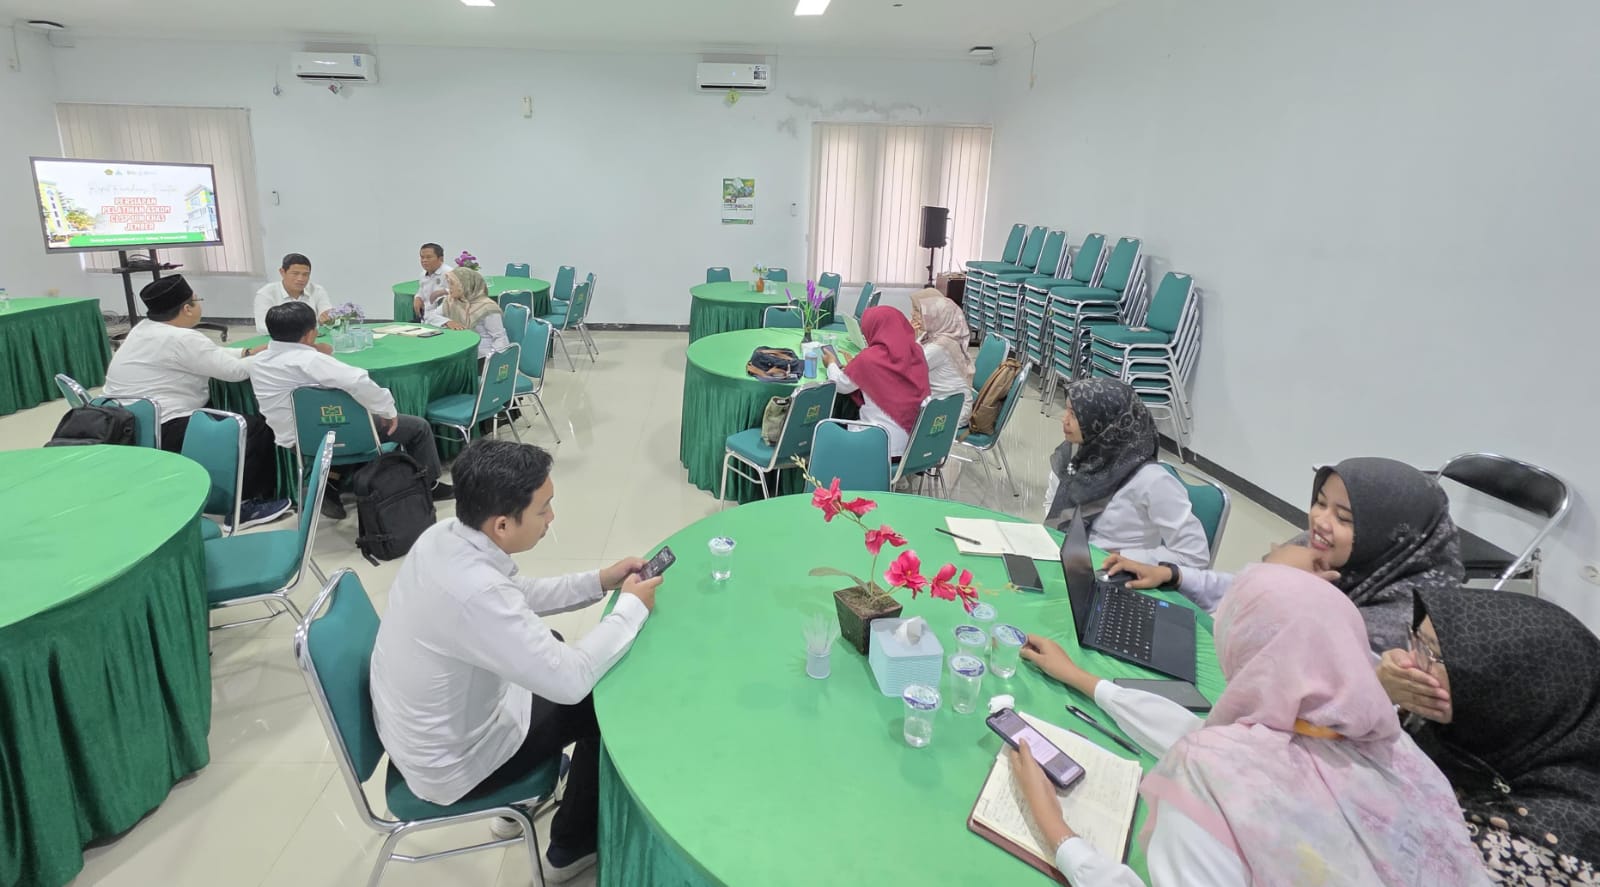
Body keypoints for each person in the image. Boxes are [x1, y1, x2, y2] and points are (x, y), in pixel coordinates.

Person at [1012, 564, 1490, 886]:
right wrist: (1084, 680)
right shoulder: (1403, 754)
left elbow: (1217, 758)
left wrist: (1058, 833)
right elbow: (1212, 739)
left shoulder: (1209, 779)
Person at [369, 440, 663, 883]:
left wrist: (599, 581)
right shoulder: (474, 591)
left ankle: (516, 808)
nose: (551, 518)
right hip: (453, 764)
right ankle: (570, 847)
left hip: (422, 730)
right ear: (503, 525)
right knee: (599, 704)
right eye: (544, 509)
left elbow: (513, 597)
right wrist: (631, 609)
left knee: (552, 645)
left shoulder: (443, 536)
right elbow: (570, 682)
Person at [1104, 456, 1463, 653]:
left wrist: (1281, 584)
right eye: (1319, 502)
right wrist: (1173, 574)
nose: (1320, 521)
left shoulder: (1402, 629)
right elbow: (1238, 585)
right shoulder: (1323, 547)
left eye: (1343, 518)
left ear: (1391, 537)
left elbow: (1263, 652)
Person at [1376, 587, 1600, 882]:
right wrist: (1380, 692)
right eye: (1414, 638)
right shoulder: (1488, 748)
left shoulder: (1524, 843)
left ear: (1509, 697)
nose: (1409, 662)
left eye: (1431, 653)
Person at [103, 275, 291, 529]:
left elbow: (207, 355)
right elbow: (234, 372)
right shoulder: (183, 338)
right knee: (252, 428)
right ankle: (244, 506)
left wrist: (245, 352)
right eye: (196, 300)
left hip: (125, 423)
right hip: (165, 426)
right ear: (187, 309)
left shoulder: (144, 329)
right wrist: (274, 354)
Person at [248, 301, 453, 521]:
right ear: (309, 334)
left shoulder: (258, 362)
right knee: (417, 427)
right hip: (341, 435)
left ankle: (330, 485)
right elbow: (356, 380)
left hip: (296, 441)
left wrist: (314, 350)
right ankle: (429, 484)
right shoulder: (311, 360)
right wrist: (386, 410)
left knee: (337, 422)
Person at [1041, 378, 1209, 569]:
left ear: (1107, 422)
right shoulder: (1071, 456)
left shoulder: (1150, 480)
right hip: (1064, 561)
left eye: (1074, 414)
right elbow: (1051, 504)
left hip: (1118, 573)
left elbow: (1195, 556)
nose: (1064, 420)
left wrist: (1125, 557)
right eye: (1067, 410)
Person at [820, 306, 930, 457]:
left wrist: (831, 364)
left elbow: (840, 385)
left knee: (828, 427)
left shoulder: (869, 358)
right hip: (913, 446)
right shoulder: (917, 351)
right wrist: (856, 368)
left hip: (876, 445)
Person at [909, 290, 975, 427]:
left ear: (935, 314)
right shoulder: (932, 335)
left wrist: (907, 336)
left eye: (917, 310)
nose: (912, 314)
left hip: (950, 411)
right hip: (938, 401)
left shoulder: (940, 346)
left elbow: (907, 369)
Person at [254, 252, 333, 332]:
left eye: (305, 274)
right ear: (282, 272)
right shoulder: (266, 294)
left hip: (311, 337)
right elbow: (262, 326)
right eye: (295, 273)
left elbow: (327, 313)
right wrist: (297, 330)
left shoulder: (317, 290)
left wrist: (327, 318)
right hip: (280, 338)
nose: (300, 279)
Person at [442, 267, 510, 358]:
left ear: (464, 285)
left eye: (452, 284)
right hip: (461, 348)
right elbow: (432, 317)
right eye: (448, 283)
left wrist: (491, 361)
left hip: (482, 354)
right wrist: (446, 322)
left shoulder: (487, 308)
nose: (449, 287)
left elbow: (500, 338)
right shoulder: (452, 301)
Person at [414, 243, 450, 324]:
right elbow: (421, 290)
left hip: (444, 320)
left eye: (429, 257)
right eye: (422, 257)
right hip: (426, 318)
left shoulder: (449, 273)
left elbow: (460, 293)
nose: (424, 260)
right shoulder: (423, 274)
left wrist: (443, 291)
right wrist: (418, 297)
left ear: (441, 259)